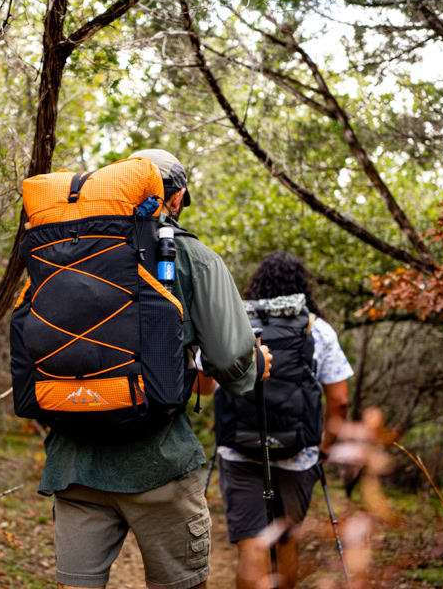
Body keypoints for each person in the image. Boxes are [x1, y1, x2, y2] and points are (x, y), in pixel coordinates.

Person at [38, 148, 273, 589]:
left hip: (74, 462)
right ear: (178, 197)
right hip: (159, 464)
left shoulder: (64, 247)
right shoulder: (192, 256)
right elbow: (228, 358)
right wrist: (254, 367)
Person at [217, 251, 352, 589]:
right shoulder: (317, 329)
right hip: (298, 455)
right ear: (302, 288)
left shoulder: (235, 325)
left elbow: (206, 385)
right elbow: (340, 400)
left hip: (239, 450)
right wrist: (323, 449)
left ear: (256, 285)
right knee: (286, 539)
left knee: (252, 540)